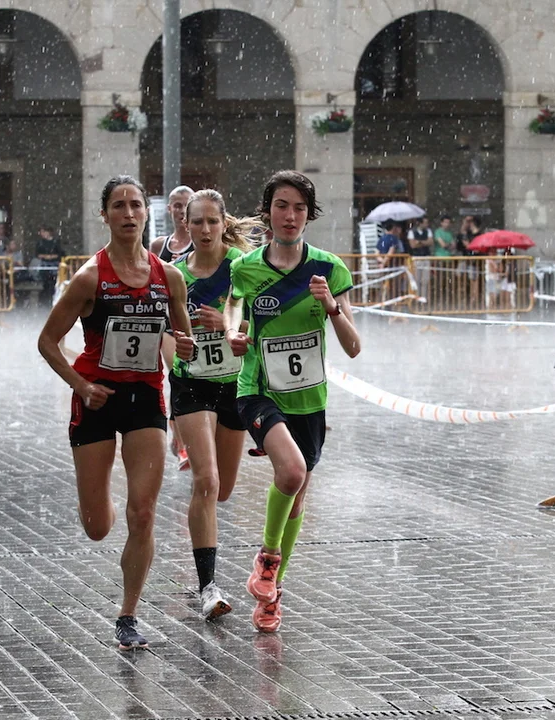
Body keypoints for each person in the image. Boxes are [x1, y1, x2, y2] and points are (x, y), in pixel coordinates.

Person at [37, 175, 193, 651]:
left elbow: (181, 343)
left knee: (142, 513)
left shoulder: (169, 277)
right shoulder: (90, 278)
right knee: (98, 527)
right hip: (97, 400)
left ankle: (128, 615)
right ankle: (96, 500)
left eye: (136, 205)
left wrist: (187, 345)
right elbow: (47, 342)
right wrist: (82, 386)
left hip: (145, 398)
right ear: (104, 215)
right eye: (119, 206)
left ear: (147, 213)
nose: (128, 213)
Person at [223, 170, 362, 633]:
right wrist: (233, 334)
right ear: (267, 212)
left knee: (297, 495)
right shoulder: (245, 268)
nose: (290, 215)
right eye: (281, 206)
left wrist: (332, 307)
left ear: (309, 214)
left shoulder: (329, 269)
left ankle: (272, 594)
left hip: (309, 399)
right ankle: (267, 561)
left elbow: (353, 346)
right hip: (258, 390)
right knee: (292, 472)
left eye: (299, 208)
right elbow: (233, 313)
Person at [171, 189, 255, 620]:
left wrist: (225, 324)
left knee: (223, 490)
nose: (205, 230)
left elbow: (256, 323)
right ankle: (208, 586)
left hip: (234, 385)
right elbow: (165, 334)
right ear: (185, 225)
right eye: (197, 222)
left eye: (212, 221)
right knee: (205, 480)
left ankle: (207, 578)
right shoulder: (173, 276)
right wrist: (177, 349)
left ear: (224, 223)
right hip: (191, 385)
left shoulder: (243, 267)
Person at [150, 185, 196, 470]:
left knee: (194, 377)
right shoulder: (159, 246)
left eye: (186, 205)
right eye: (176, 205)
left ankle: (193, 431)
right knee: (179, 373)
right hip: (167, 324)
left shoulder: (202, 241)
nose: (181, 210)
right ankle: (181, 442)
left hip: (196, 321)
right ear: (169, 209)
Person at [34, 225, 64, 304]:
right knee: (45, 284)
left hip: (54, 266)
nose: (42, 234)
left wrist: (51, 257)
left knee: (53, 283)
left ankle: (51, 300)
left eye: (44, 232)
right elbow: (37, 254)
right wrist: (45, 257)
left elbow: (60, 254)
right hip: (44, 266)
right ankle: (44, 302)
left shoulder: (56, 242)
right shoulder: (40, 243)